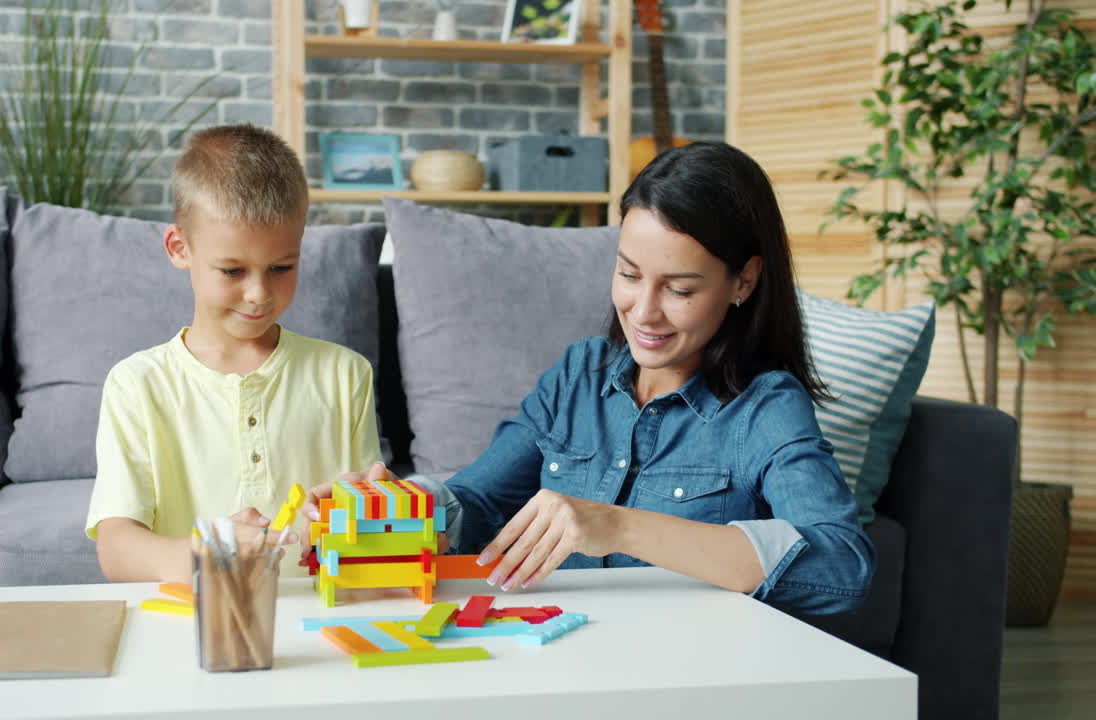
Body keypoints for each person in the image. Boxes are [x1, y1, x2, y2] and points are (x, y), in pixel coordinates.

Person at [306, 142, 875, 615]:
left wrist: (620, 527)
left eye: (679, 289)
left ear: (744, 282)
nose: (643, 311)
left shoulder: (763, 408)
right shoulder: (579, 376)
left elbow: (842, 567)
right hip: (562, 655)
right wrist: (394, 504)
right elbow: (478, 501)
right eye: (628, 274)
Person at [86, 124, 381, 583]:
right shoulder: (137, 383)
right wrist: (212, 550)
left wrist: (376, 511)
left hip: (323, 621)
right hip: (192, 626)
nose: (259, 294)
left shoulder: (345, 374)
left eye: (282, 267)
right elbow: (117, 550)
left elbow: (372, 527)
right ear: (179, 248)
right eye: (232, 270)